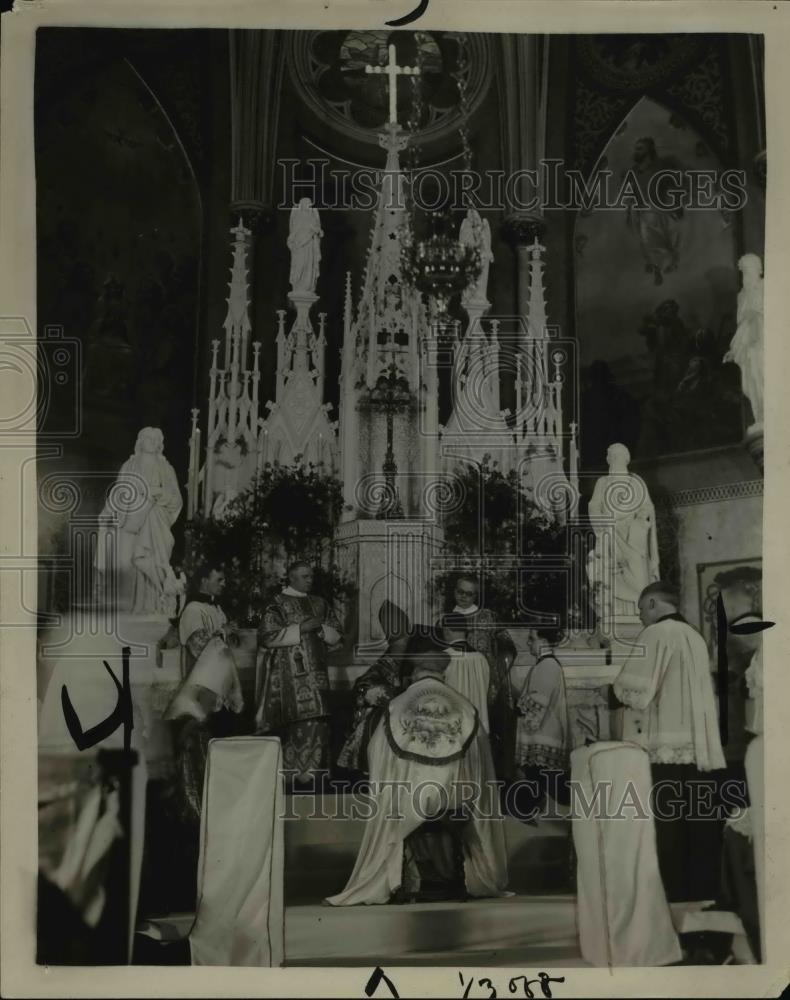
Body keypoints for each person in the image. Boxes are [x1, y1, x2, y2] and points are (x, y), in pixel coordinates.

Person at [325, 638, 509, 906]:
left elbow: (377, 754)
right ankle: (463, 872)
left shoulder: (396, 706)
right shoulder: (466, 707)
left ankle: (401, 876)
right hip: (455, 799)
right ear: (443, 674)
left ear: (414, 673)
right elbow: (482, 764)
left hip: (407, 802)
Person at [611, 580, 726, 903]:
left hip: (666, 750)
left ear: (651, 604)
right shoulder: (695, 636)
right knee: (699, 830)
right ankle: (702, 903)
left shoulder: (656, 634)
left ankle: (669, 904)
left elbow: (635, 690)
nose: (640, 618)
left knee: (668, 830)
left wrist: (610, 692)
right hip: (700, 750)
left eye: (640, 611)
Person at [254, 561, 342, 783]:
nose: (310, 580)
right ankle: (293, 777)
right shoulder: (276, 603)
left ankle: (316, 776)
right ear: (291, 578)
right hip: (288, 678)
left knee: (320, 720)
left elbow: (338, 635)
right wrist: (300, 629)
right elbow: (266, 636)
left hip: (318, 675)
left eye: (311, 576)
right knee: (298, 722)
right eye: (305, 577)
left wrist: (321, 630)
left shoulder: (320, 603)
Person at [95, 426, 183, 615]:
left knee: (150, 560)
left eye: (155, 439)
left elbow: (175, 499)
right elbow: (118, 494)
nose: (151, 442)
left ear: (160, 443)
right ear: (140, 442)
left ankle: (153, 604)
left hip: (155, 522)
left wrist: (156, 494)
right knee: (128, 563)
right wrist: (108, 511)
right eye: (147, 438)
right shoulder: (130, 466)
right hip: (131, 524)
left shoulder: (165, 468)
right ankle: (129, 608)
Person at [444, 574, 517, 777]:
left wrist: (495, 679)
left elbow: (508, 649)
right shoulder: (446, 618)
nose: (464, 597)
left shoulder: (488, 617)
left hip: (486, 688)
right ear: (454, 591)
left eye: (469, 594)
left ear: (476, 595)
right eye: (460, 592)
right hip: (455, 686)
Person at [586, 443, 660, 622]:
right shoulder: (603, 482)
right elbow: (594, 506)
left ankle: (636, 611)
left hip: (633, 538)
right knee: (608, 572)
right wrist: (604, 524)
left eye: (613, 456)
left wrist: (638, 524)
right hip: (609, 534)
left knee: (637, 574)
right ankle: (616, 609)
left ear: (624, 459)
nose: (610, 459)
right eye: (610, 456)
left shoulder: (636, 482)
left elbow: (647, 508)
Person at [514, 627, 571, 814]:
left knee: (549, 782)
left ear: (544, 641)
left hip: (543, 733)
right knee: (540, 779)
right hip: (543, 732)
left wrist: (516, 704)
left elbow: (537, 701)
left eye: (532, 638)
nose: (529, 643)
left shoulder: (547, 666)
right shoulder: (543, 665)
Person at [336, 631, 411, 774]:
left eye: (405, 646)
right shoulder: (384, 666)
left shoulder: (411, 666)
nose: (402, 651)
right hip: (384, 716)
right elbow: (363, 688)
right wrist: (398, 694)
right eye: (399, 647)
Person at [724, 252, 764, 428]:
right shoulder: (742, 295)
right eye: (743, 273)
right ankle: (760, 418)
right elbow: (742, 326)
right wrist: (735, 349)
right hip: (748, 346)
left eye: (749, 272)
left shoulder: (766, 287)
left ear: (758, 271)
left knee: (763, 376)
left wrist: (756, 317)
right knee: (751, 383)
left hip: (763, 342)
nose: (746, 277)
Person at [287, 198, 322, 295]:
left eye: (309, 204)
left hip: (309, 246)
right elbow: (293, 231)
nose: (309, 206)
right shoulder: (298, 216)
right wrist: (292, 241)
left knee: (309, 266)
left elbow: (317, 230)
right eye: (306, 204)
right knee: (299, 265)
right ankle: (298, 285)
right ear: (301, 204)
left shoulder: (312, 216)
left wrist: (318, 232)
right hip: (299, 246)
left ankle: (308, 286)